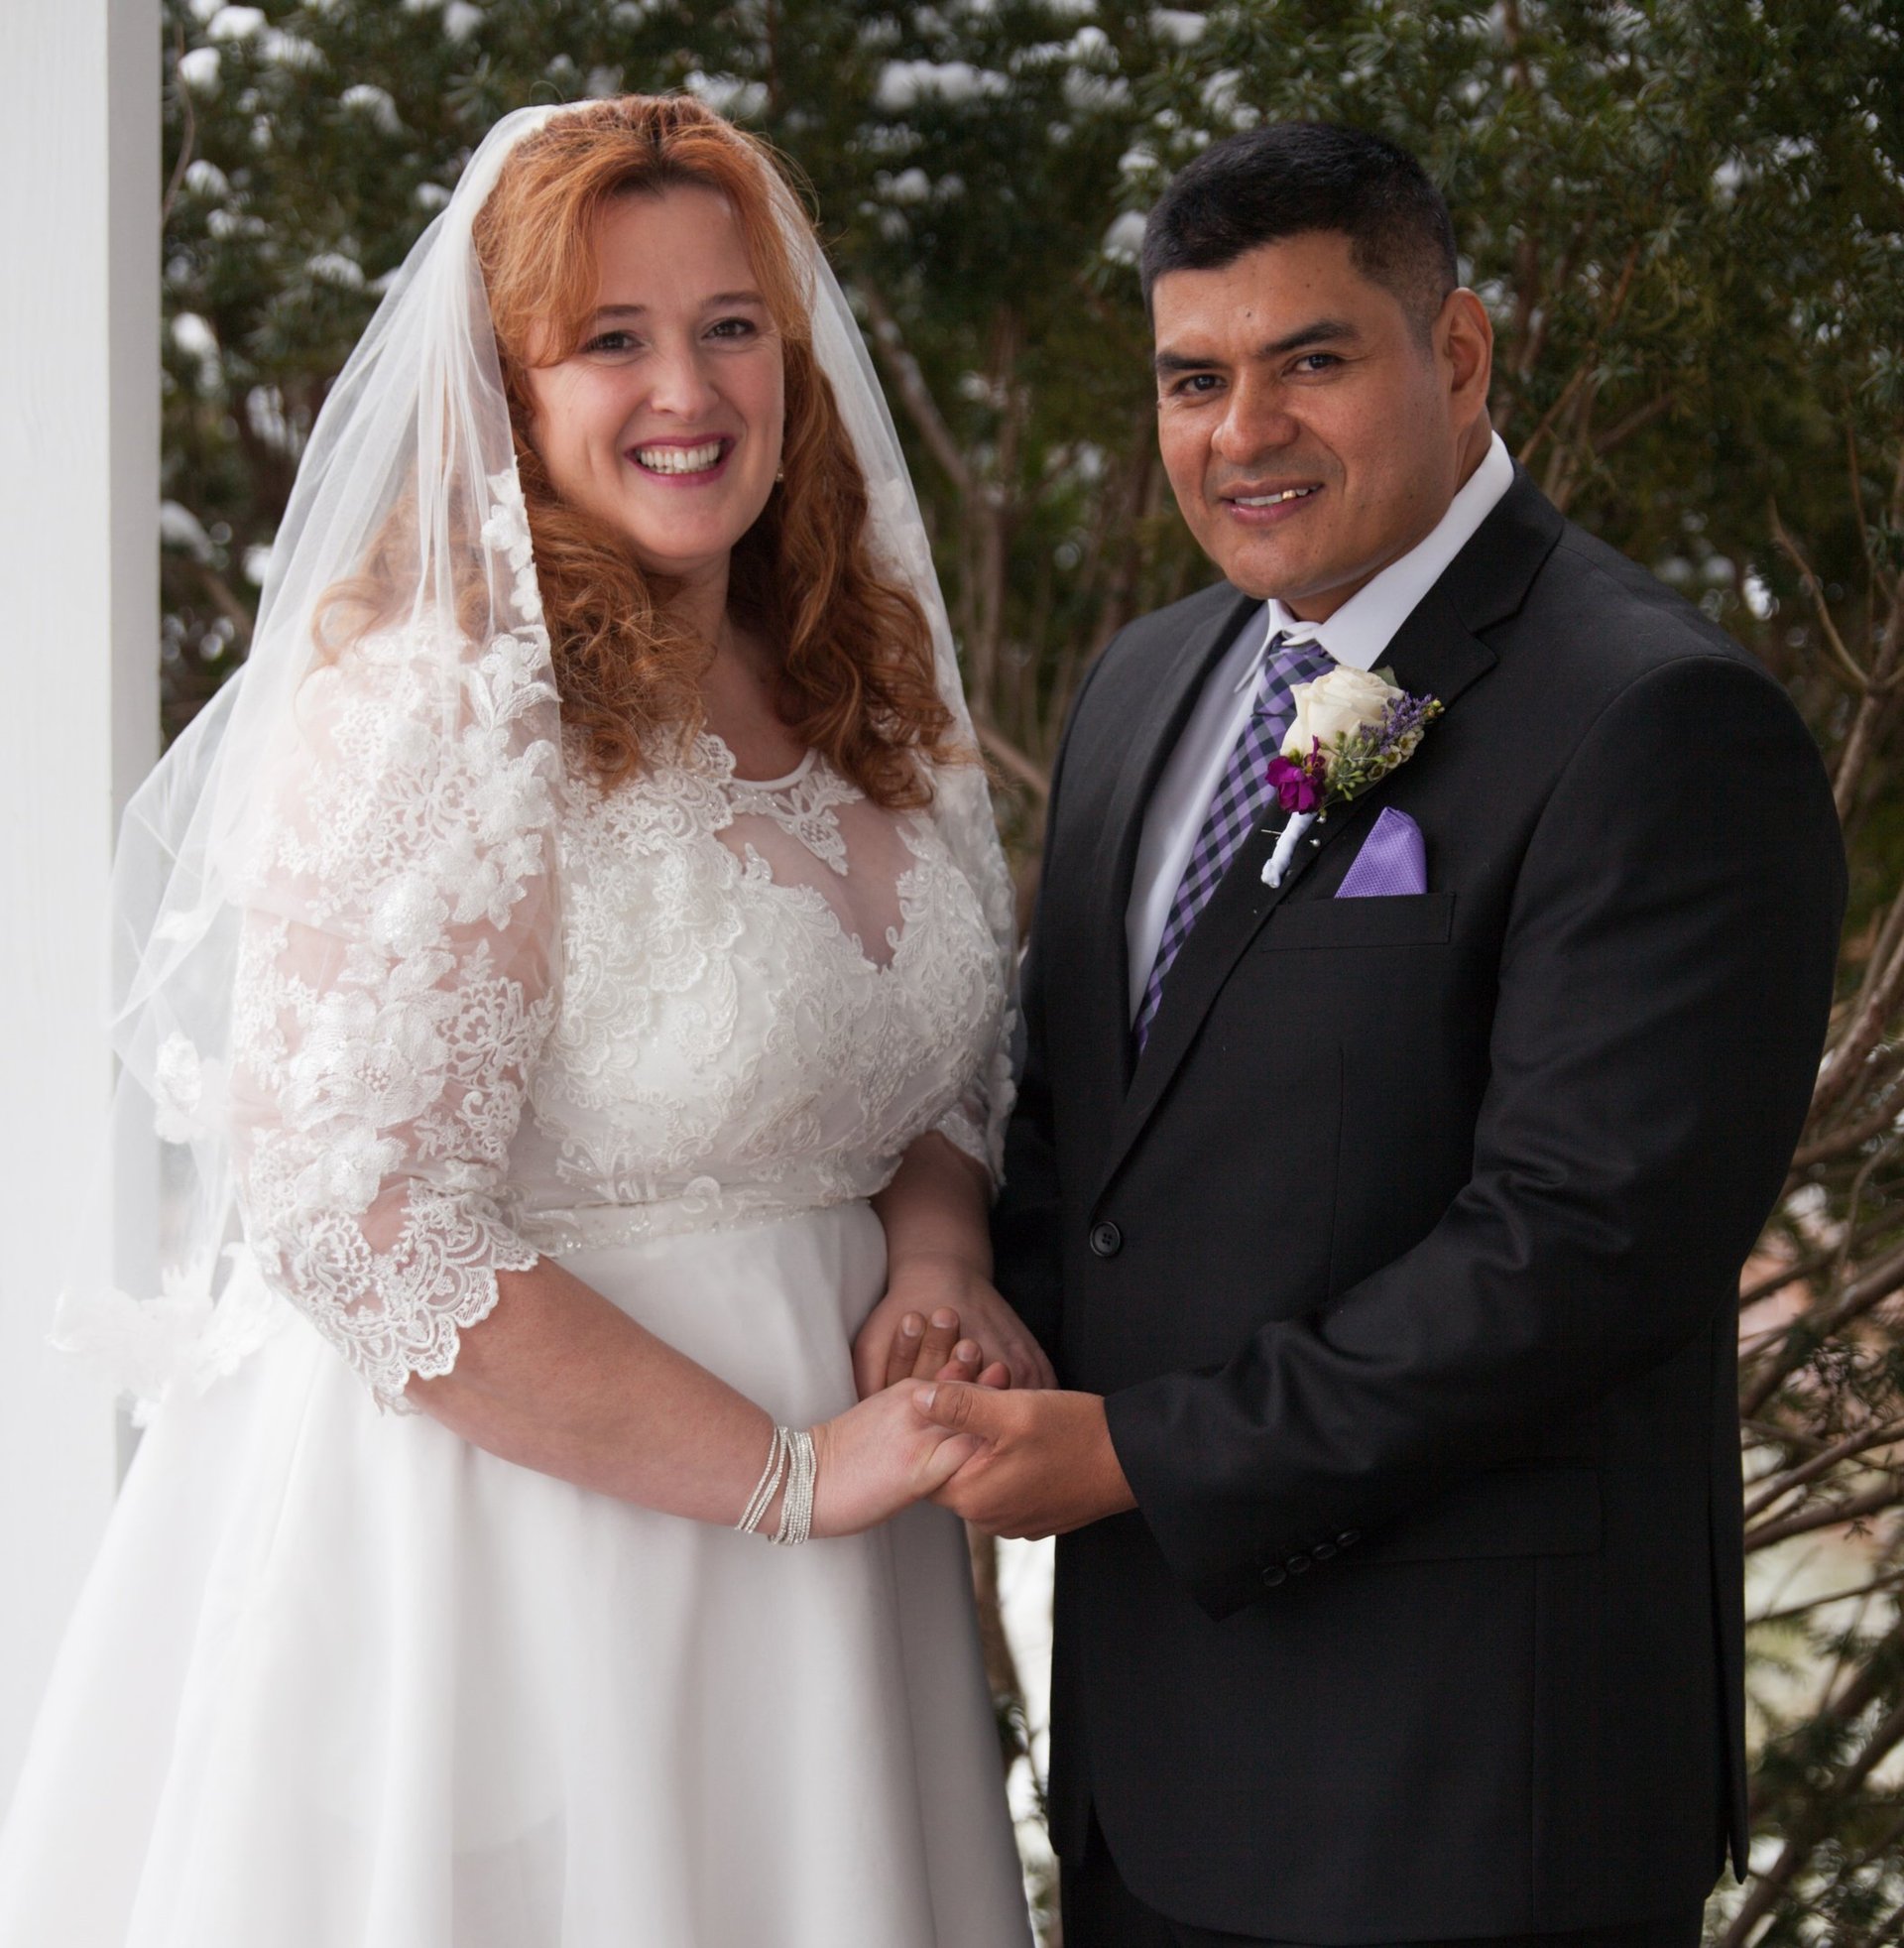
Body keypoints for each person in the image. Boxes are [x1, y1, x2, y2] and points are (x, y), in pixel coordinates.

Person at [0, 95, 1039, 1947]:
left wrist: (937, 1247)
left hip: (837, 1569)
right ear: (503, 387)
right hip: (531, 1568)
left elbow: (940, 1051)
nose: (688, 388)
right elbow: (357, 1221)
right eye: (610, 341)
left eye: (731, 326)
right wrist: (785, 1473)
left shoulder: (847, 673)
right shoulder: (435, 717)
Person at [917, 122, 1845, 1946]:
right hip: (1151, 1793)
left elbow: (1577, 1253)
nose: (1241, 432)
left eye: (1311, 361)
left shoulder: (1659, 723)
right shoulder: (1143, 686)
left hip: (1463, 1806)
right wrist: (976, 1308)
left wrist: (1138, 1458)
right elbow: (1092, 1141)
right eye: (1195, 379)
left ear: (1464, 356)